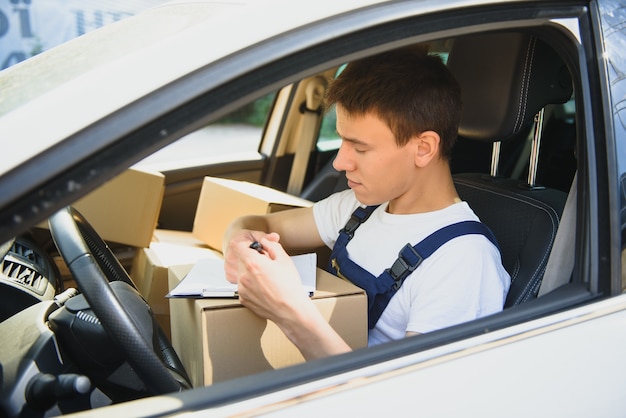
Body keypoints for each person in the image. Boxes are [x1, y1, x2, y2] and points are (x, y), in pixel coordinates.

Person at [222, 45, 510, 361]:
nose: (340, 162)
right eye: (342, 140)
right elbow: (259, 224)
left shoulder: (463, 261)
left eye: (359, 148)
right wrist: (238, 243)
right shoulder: (357, 209)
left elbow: (416, 398)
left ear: (424, 148)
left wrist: (289, 309)